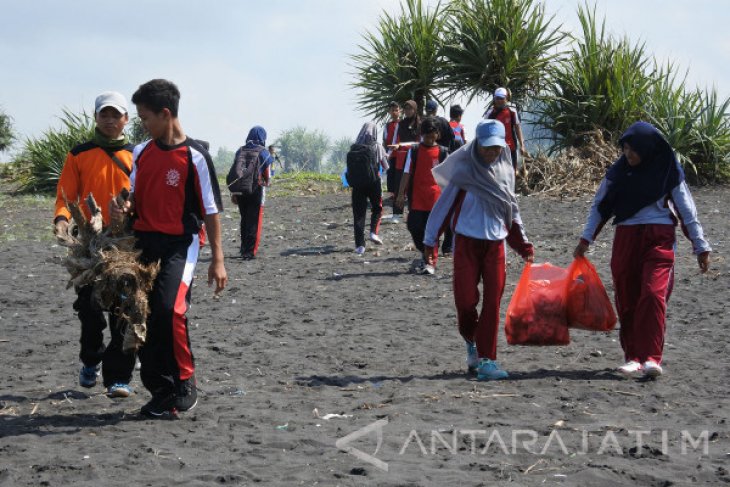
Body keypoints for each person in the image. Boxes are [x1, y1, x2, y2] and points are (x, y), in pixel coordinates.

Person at [112, 79, 227, 418]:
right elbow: (132, 195)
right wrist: (125, 207)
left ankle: (185, 381)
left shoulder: (196, 157)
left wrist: (218, 259)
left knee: (170, 310)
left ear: (165, 114)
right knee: (140, 313)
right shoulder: (141, 152)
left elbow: (210, 210)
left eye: (145, 118)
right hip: (144, 242)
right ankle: (160, 391)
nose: (142, 125)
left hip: (181, 244)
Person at [574, 121, 711, 379]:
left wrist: (700, 245)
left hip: (658, 238)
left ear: (647, 149)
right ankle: (634, 357)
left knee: (652, 294)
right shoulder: (618, 173)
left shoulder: (668, 171)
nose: (628, 155)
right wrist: (586, 239)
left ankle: (651, 357)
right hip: (626, 238)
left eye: (633, 150)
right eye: (625, 149)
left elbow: (686, 210)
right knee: (627, 298)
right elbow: (600, 206)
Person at [423, 119, 534, 381]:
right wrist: (431, 241)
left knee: (492, 303)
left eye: (496, 148)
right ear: (477, 145)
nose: (491, 152)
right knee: (465, 302)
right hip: (467, 244)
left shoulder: (506, 172)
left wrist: (523, 244)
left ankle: (487, 361)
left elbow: (511, 211)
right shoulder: (464, 172)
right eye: (486, 147)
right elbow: (443, 208)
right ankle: (471, 341)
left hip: (495, 245)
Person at [54, 91, 137, 398]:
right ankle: (91, 360)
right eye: (105, 114)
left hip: (126, 242)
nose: (110, 120)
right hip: (88, 243)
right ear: (96, 117)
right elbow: (66, 196)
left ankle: (119, 378)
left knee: (123, 309)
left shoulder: (137, 154)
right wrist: (62, 220)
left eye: (116, 115)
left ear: (126, 119)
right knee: (89, 310)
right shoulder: (79, 154)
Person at [395, 117, 450, 273]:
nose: (430, 138)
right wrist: (400, 195)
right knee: (413, 226)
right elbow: (406, 173)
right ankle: (425, 253)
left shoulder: (443, 152)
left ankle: (429, 263)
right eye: (427, 135)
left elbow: (449, 177)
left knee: (432, 231)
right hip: (417, 198)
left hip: (436, 199)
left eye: (433, 135)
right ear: (421, 134)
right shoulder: (414, 151)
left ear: (438, 134)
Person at [231, 127, 273, 260]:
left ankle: (244, 248)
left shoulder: (240, 150)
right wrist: (267, 182)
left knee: (244, 219)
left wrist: (234, 192)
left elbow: (234, 172)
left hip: (241, 191)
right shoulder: (263, 152)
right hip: (256, 190)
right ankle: (250, 252)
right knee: (254, 220)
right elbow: (267, 175)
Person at [349, 122, 389, 255]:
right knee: (377, 208)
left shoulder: (354, 147)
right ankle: (373, 232)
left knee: (359, 214)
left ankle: (360, 245)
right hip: (374, 182)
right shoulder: (377, 146)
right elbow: (386, 165)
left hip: (358, 185)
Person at [387, 100, 421, 224]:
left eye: (410, 109)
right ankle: (397, 213)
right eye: (406, 109)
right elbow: (395, 141)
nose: (407, 111)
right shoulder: (400, 124)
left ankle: (414, 213)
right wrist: (388, 155)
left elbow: (421, 142)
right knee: (398, 186)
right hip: (401, 158)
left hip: (415, 158)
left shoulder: (420, 124)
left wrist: (403, 145)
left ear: (415, 110)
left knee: (414, 186)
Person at [484, 87, 527, 172]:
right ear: (494, 99)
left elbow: (517, 128)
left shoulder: (512, 111)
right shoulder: (489, 113)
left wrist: (522, 145)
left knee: (513, 171)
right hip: (495, 149)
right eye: (497, 98)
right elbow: (485, 131)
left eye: (502, 98)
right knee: (497, 172)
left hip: (511, 147)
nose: (499, 101)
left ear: (506, 98)